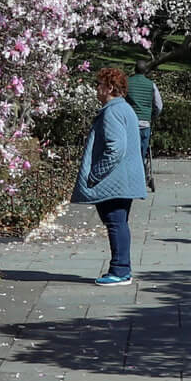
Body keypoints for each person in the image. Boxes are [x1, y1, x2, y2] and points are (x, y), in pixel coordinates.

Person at [71, 66, 148, 286]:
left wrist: (96, 173)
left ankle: (120, 271)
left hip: (114, 180)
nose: (96, 89)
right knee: (119, 222)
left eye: (99, 85)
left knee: (115, 223)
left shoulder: (112, 111)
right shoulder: (125, 109)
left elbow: (116, 148)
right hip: (126, 178)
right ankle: (122, 269)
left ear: (109, 88)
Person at [125, 64, 163, 191]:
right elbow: (159, 105)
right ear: (146, 71)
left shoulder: (127, 83)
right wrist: (152, 116)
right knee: (142, 152)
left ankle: (129, 177)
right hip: (144, 123)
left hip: (129, 123)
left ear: (134, 70)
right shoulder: (151, 85)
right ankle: (141, 178)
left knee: (128, 152)